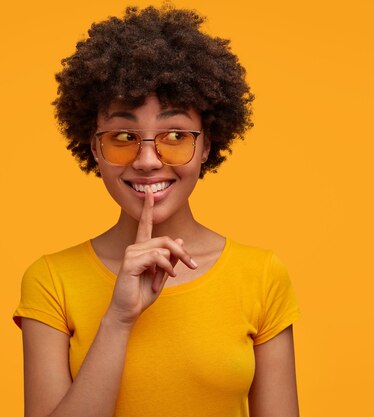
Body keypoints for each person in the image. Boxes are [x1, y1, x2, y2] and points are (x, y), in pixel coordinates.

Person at [13, 5, 301, 417]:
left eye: (175, 135)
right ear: (95, 148)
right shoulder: (50, 281)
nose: (148, 159)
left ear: (206, 145)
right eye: (124, 136)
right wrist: (119, 317)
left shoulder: (261, 275)